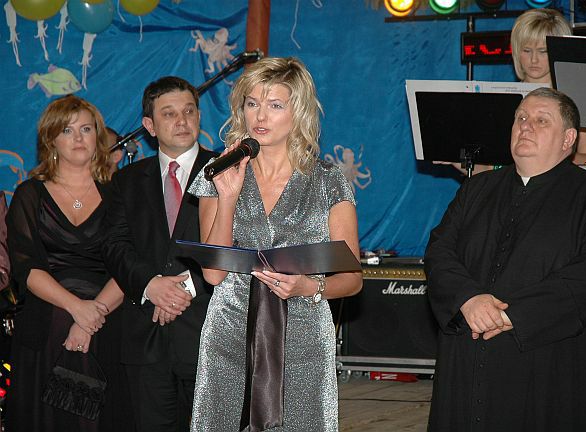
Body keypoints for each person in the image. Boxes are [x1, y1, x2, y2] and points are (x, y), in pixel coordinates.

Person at [424, 87, 586, 431]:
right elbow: (440, 251)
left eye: (541, 120)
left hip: (548, 361)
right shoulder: (476, 189)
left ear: (568, 139)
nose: (526, 125)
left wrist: (511, 315)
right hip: (470, 347)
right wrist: (468, 300)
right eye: (520, 118)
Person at [187, 56, 362, 431]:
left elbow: (353, 279)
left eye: (275, 105)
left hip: (303, 335)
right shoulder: (219, 172)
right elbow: (213, 275)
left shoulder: (329, 180)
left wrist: (309, 287)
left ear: (298, 112)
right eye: (252, 103)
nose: (260, 116)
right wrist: (228, 196)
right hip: (230, 333)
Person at [5, 95, 133, 432]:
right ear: (51, 140)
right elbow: (26, 267)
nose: (78, 138)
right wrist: (77, 309)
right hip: (47, 327)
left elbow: (128, 266)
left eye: (86, 129)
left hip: (106, 325)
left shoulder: (119, 195)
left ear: (98, 138)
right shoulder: (29, 194)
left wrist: (90, 319)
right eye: (67, 130)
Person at [102, 76, 215, 432]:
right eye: (169, 114)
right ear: (149, 126)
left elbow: (239, 243)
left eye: (189, 111)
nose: (182, 121)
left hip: (210, 334)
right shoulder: (127, 181)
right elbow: (114, 245)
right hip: (146, 338)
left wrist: (185, 286)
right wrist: (151, 286)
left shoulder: (227, 171)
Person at [438, 9, 586, 175]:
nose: (534, 59)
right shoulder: (502, 100)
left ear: (560, 51)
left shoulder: (576, 98)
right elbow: (490, 171)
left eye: (543, 51)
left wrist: (546, 156)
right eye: (526, 50)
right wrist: (455, 159)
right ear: (515, 51)